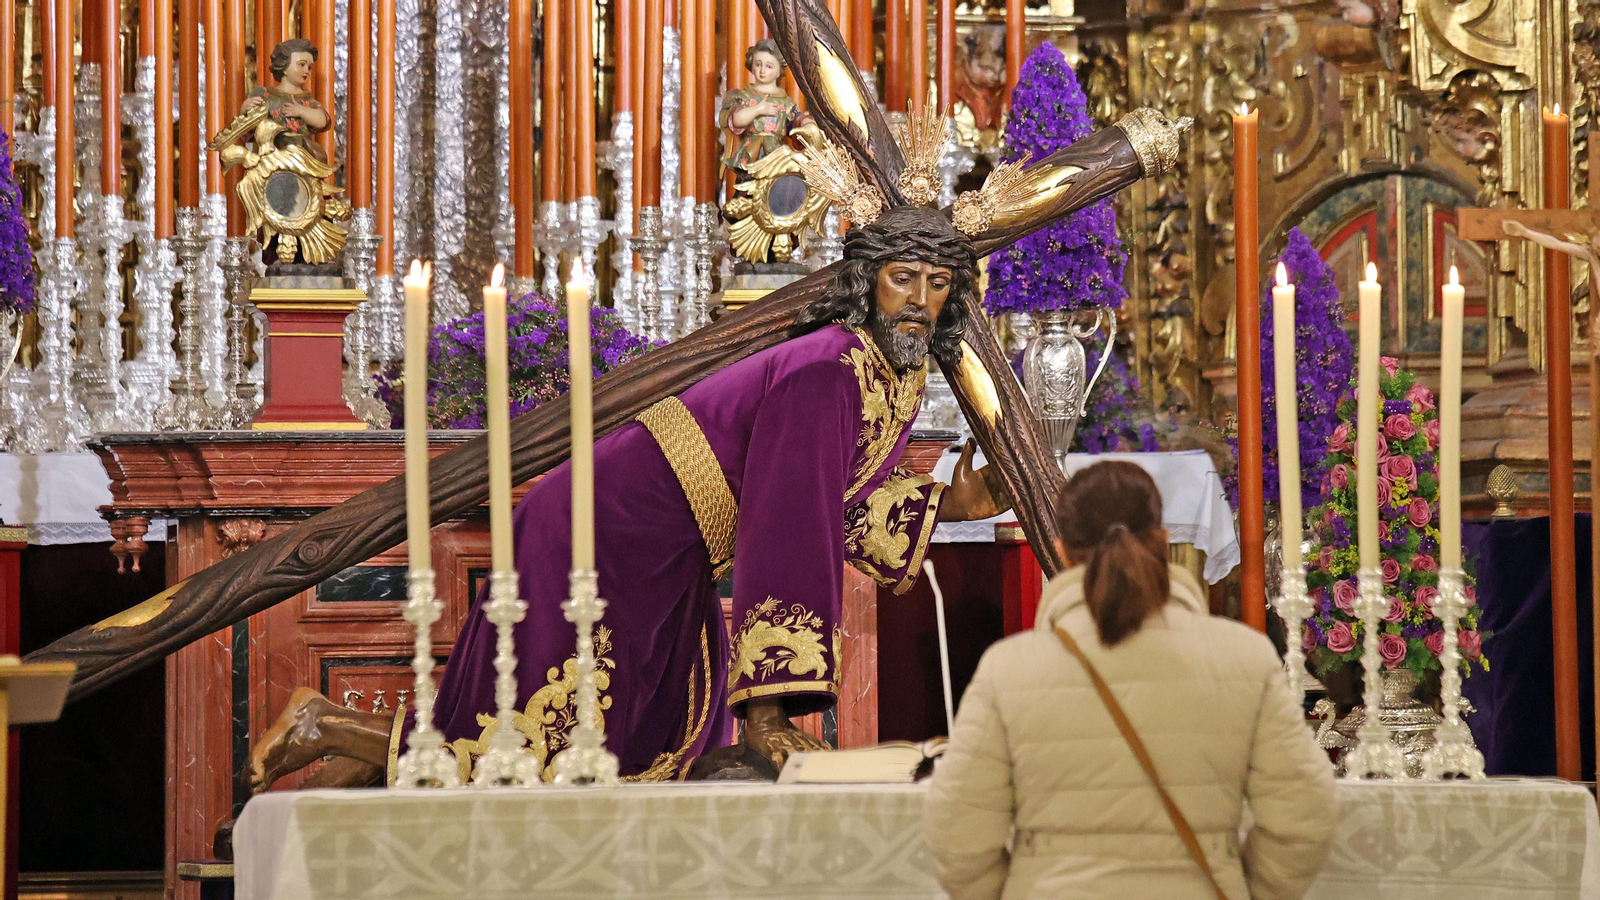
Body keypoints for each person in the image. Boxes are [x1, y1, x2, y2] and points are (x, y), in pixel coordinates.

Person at [246, 205, 1008, 789]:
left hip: (661, 543)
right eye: (902, 278)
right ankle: (328, 727)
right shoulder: (831, 366)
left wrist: (946, 506)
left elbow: (820, 498)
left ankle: (352, 758)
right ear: (866, 282)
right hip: (610, 532)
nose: (919, 299)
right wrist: (768, 714)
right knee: (560, 747)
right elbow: (787, 524)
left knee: (628, 737)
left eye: (937, 284)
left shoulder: (887, 371)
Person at [925, 460, 1337, 900]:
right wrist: (1250, 890)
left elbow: (957, 832)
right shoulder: (1246, 658)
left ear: (1062, 552)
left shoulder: (1009, 669)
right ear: (1162, 543)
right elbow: (1304, 813)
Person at [718, 39, 810, 176]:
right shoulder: (745, 97)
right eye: (758, 64)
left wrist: (807, 123)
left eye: (769, 66)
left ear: (779, 71)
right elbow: (737, 120)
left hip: (776, 154)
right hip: (752, 153)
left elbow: (796, 120)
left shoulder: (785, 102)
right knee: (747, 188)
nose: (762, 71)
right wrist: (758, 109)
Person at [239, 38, 332, 161]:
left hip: (300, 160)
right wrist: (245, 108)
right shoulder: (266, 96)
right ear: (284, 67)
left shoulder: (306, 101)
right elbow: (246, 128)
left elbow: (322, 121)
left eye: (309, 67)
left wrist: (301, 111)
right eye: (301, 65)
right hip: (270, 159)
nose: (306, 71)